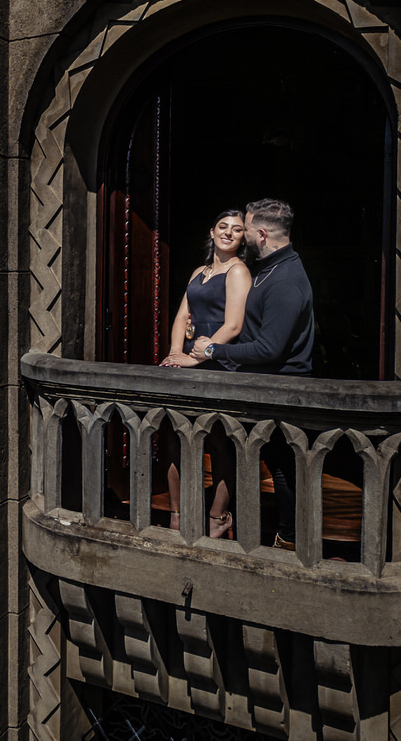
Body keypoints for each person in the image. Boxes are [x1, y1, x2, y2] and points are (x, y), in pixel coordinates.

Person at [191, 198, 316, 549]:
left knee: (284, 471)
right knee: (265, 464)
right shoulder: (267, 268)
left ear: (260, 234)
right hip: (261, 386)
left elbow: (269, 349)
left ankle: (290, 541)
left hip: (282, 390)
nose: (239, 234)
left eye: (244, 229)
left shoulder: (286, 281)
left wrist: (214, 350)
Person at [159, 209, 251, 537]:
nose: (228, 233)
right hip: (190, 360)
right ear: (211, 232)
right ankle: (178, 513)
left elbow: (235, 325)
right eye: (223, 227)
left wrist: (197, 358)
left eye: (237, 230)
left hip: (220, 361)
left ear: (243, 238)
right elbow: (183, 314)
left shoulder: (239, 271)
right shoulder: (200, 271)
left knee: (218, 440)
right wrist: (174, 354)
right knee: (172, 437)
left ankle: (218, 514)